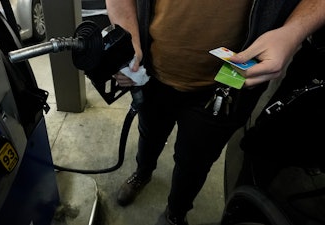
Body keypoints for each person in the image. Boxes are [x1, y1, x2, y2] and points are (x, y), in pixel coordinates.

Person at [105, 0, 325, 224]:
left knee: (195, 163)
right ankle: (143, 173)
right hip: (151, 74)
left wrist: (293, 30)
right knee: (149, 133)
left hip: (228, 86)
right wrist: (126, 37)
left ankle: (175, 213)